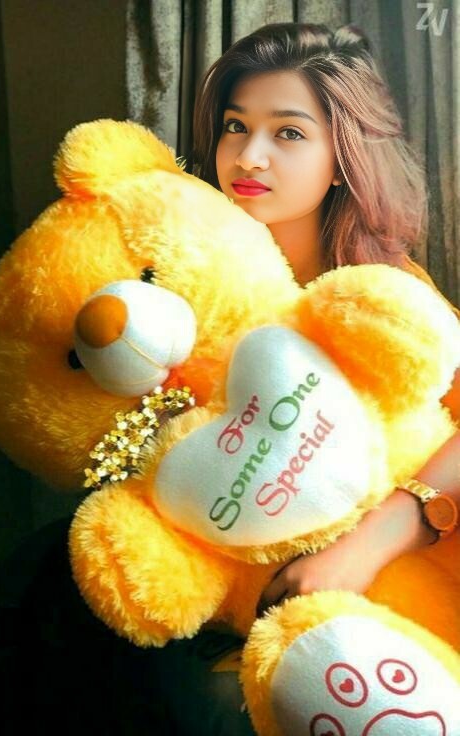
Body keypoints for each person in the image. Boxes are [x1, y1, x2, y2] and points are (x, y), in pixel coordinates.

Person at [142, 22, 460, 736]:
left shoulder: (384, 292)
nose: (247, 156)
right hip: (234, 586)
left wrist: (374, 540)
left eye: (287, 133)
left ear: (342, 158)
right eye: (235, 126)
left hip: (388, 577)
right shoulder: (187, 276)